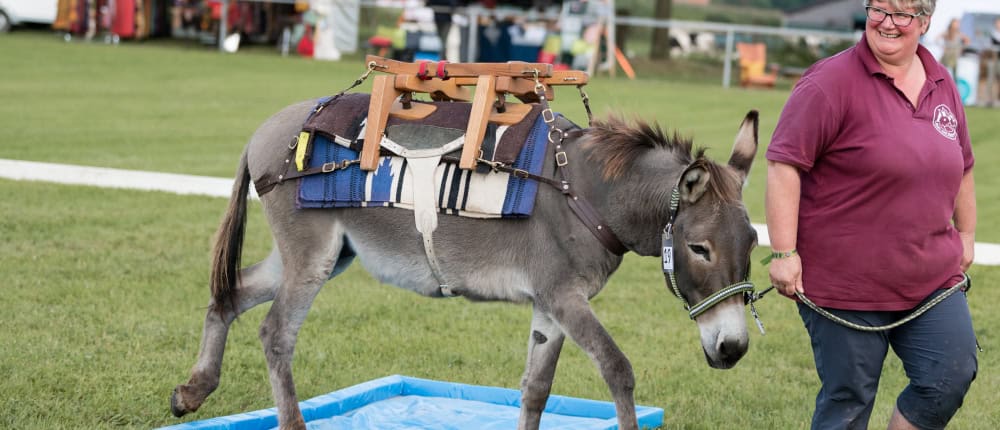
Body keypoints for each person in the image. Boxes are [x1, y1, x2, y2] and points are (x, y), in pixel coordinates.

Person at [765, 0, 978, 429]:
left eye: (902, 14)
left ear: (924, 21)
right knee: (848, 401)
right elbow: (784, 164)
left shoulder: (941, 81)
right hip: (846, 285)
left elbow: (964, 166)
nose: (887, 23)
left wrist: (968, 233)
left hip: (931, 278)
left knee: (949, 375)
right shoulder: (829, 83)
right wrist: (783, 252)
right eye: (878, 8)